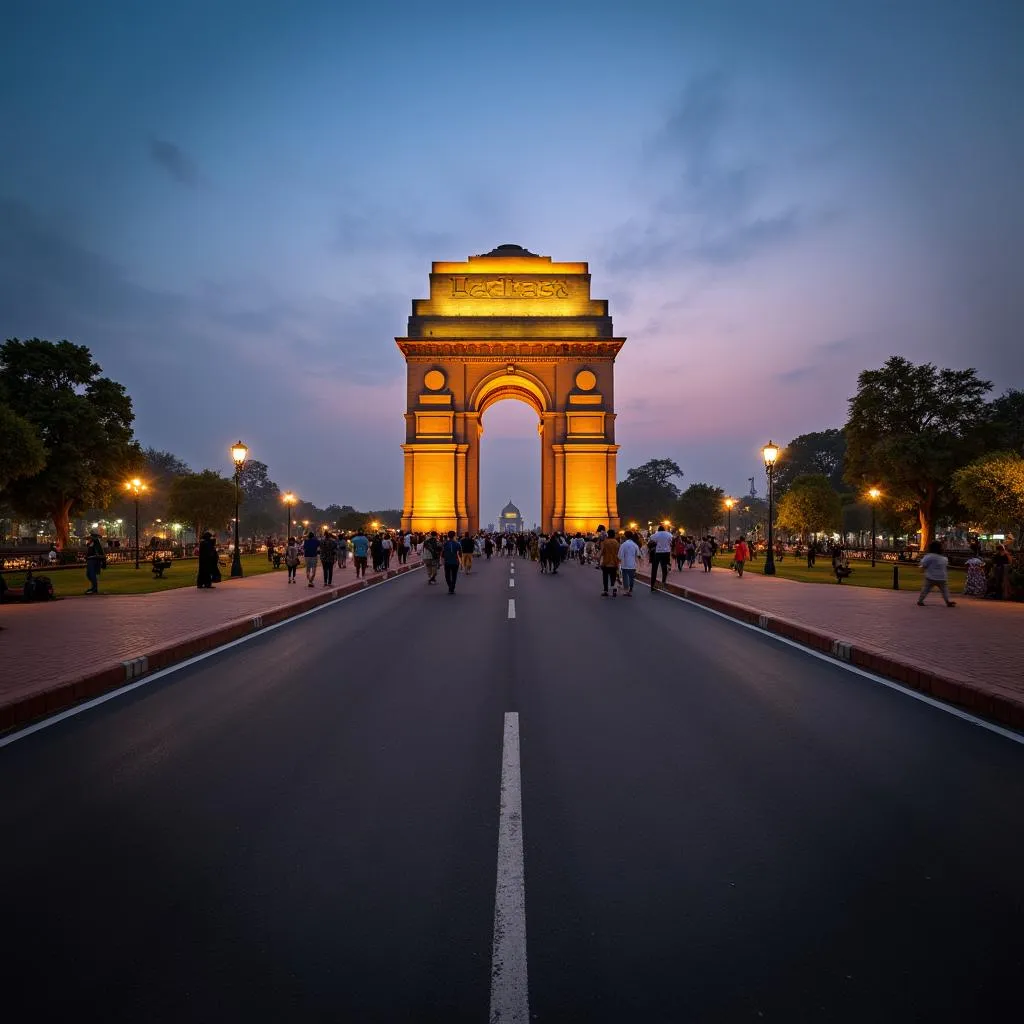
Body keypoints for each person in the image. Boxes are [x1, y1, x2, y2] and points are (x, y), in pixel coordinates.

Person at [918, 540, 956, 607]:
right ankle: (947, 601)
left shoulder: (929, 556)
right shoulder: (943, 558)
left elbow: (923, 565)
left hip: (930, 577)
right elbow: (945, 565)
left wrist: (922, 569)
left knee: (925, 589)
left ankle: (920, 600)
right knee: (944, 590)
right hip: (942, 577)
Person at [649, 523, 673, 591]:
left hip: (657, 553)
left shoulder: (654, 535)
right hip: (666, 553)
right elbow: (671, 542)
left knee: (654, 569)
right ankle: (663, 584)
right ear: (664, 530)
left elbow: (651, 542)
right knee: (664, 569)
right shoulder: (669, 534)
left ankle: (652, 586)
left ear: (658, 530)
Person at [599, 528, 620, 596]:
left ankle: (606, 591)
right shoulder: (616, 542)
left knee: (605, 577)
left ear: (608, 534)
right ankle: (614, 591)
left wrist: (598, 559)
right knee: (613, 577)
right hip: (614, 562)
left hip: (606, 562)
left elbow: (602, 552)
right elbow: (618, 553)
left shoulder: (605, 542)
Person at [619, 529, 640, 596]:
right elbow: (638, 554)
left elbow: (620, 555)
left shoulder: (623, 545)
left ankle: (626, 590)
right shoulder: (635, 545)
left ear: (625, 536)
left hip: (624, 564)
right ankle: (631, 588)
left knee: (625, 577)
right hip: (632, 564)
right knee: (631, 577)